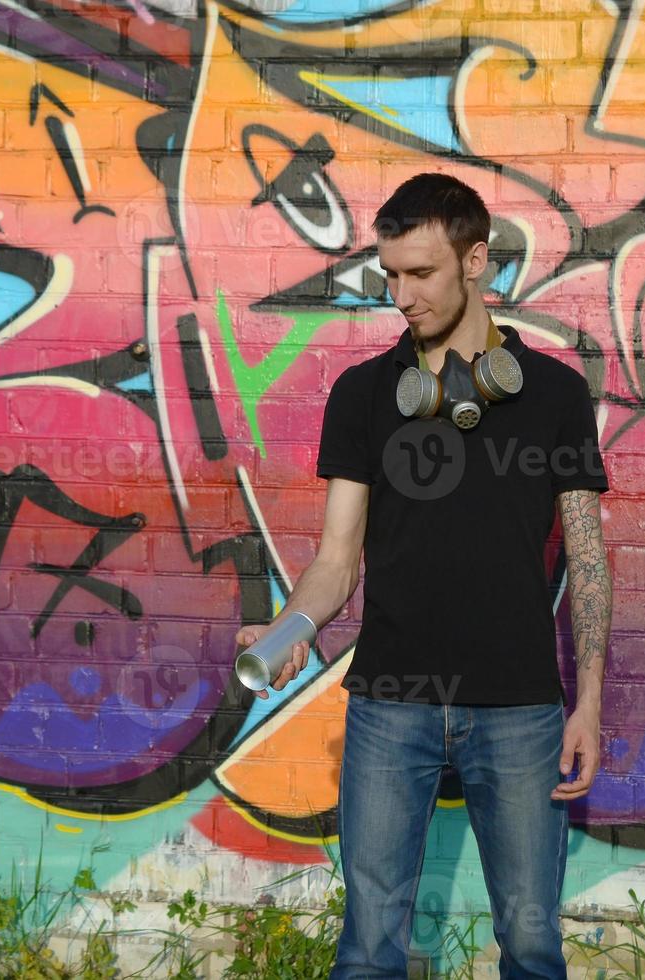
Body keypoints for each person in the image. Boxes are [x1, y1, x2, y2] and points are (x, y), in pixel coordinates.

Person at [235, 172, 611, 979]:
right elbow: (335, 562)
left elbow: (587, 558)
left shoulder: (555, 395)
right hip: (388, 704)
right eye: (391, 275)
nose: (401, 295)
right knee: (368, 948)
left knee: (533, 944)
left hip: (520, 709)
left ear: (477, 261)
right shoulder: (365, 395)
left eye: (422, 273)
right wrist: (291, 626)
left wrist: (591, 701)